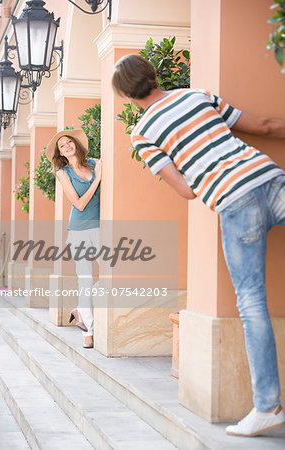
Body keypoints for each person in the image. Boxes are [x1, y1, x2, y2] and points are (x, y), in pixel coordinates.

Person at [112, 54, 285, 437]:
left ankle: (268, 407)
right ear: (154, 76)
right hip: (269, 176)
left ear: (126, 95)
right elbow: (266, 126)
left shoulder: (143, 133)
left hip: (235, 203)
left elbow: (187, 191)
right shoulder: (198, 96)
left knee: (252, 300)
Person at [46, 129, 101, 349]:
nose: (67, 146)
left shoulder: (96, 163)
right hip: (78, 230)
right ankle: (89, 330)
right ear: (60, 153)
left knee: (110, 273)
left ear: (76, 144)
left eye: (69, 142)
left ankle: (80, 310)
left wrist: (98, 173)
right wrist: (97, 180)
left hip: (99, 228)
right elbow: (79, 204)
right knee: (85, 279)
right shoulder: (63, 172)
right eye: (62, 146)